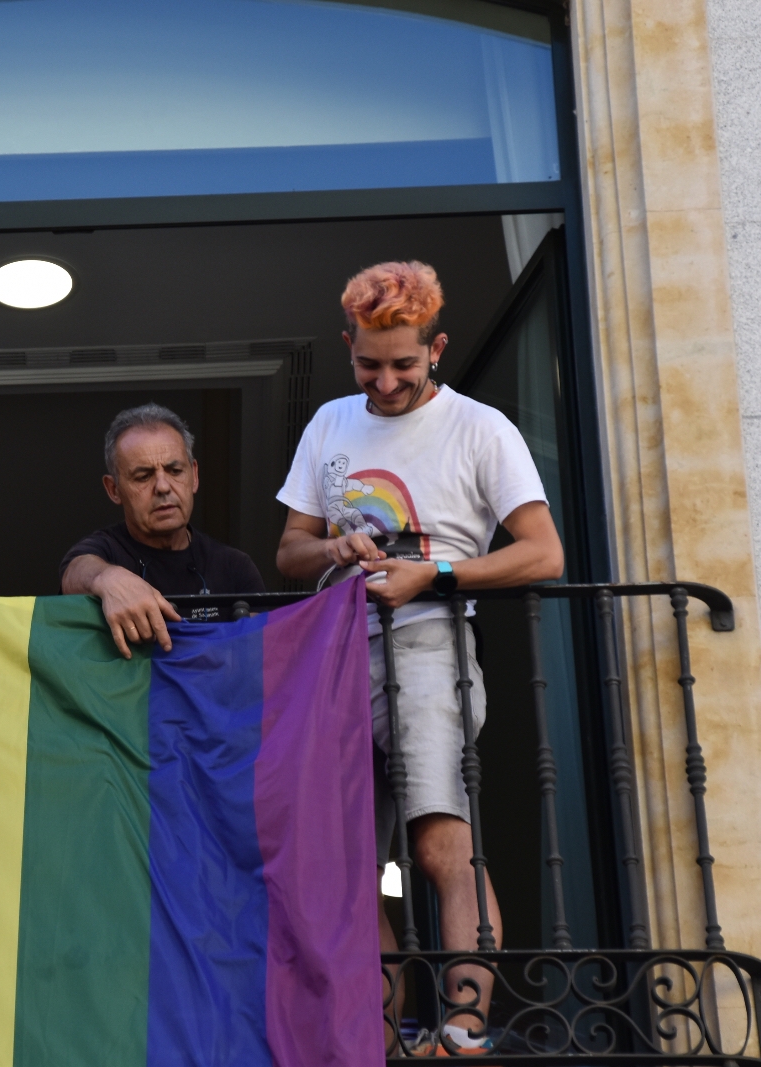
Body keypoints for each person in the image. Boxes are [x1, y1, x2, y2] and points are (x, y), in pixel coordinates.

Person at [274, 262, 563, 1055]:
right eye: (370, 363)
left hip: (431, 647)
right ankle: (374, 1031)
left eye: (405, 362)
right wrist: (333, 542)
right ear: (348, 346)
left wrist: (432, 574)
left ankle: (465, 1027)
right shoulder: (328, 423)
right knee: (348, 860)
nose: (388, 379)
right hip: (332, 653)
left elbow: (542, 554)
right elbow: (289, 552)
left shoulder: (481, 427)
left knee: (440, 841)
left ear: (435, 347)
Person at [61, 403, 265, 659]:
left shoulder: (234, 566)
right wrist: (108, 579)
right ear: (113, 489)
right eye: (143, 476)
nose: (162, 487)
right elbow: (74, 572)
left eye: (175, 471)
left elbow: (261, 661)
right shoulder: (105, 550)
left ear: (195, 475)